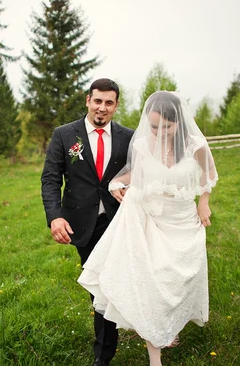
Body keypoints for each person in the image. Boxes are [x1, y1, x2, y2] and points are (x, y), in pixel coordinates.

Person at [77, 91, 218, 366]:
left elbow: (208, 174)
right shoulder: (142, 145)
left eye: (167, 126)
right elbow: (133, 173)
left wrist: (204, 201)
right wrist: (116, 183)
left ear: (179, 122)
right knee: (151, 284)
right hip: (149, 219)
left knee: (175, 282)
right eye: (154, 126)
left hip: (183, 221)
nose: (160, 132)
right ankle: (155, 357)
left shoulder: (195, 145)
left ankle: (169, 325)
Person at [41, 78, 135, 366]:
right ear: (87, 100)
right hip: (81, 223)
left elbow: (141, 174)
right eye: (98, 101)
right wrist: (55, 216)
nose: (102, 108)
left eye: (109, 103)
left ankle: (103, 356)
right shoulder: (64, 135)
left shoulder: (129, 137)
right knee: (101, 286)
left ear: (116, 105)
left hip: (119, 221)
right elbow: (51, 179)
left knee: (107, 284)